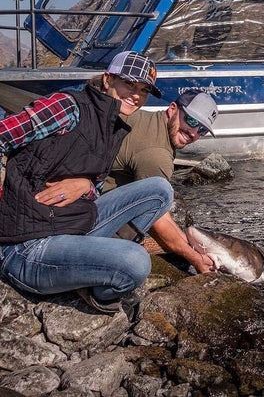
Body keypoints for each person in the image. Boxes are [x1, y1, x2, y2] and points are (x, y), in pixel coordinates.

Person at [0, 51, 208, 315]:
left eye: (144, 90)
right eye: (129, 84)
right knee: (136, 262)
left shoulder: (113, 126)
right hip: (27, 246)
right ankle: (95, 287)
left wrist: (85, 184)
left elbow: (94, 184)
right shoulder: (67, 107)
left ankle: (90, 264)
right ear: (108, 79)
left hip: (67, 225)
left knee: (160, 190)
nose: (136, 95)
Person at [103, 91, 219, 270]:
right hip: (86, 214)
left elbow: (159, 210)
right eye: (191, 121)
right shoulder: (157, 154)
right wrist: (195, 258)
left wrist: (190, 245)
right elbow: (157, 218)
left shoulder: (147, 119)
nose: (193, 133)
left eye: (202, 130)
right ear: (172, 109)